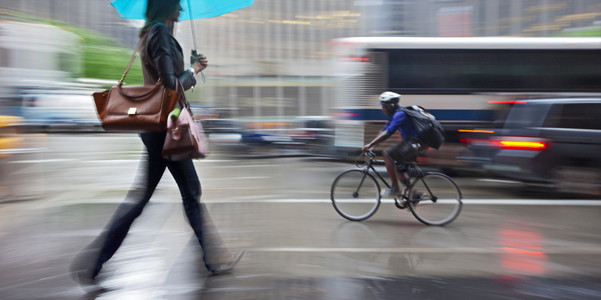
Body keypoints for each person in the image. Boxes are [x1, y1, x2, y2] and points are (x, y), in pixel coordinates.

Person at [70, 0, 242, 286]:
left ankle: (93, 264)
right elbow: (171, 85)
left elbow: (166, 81)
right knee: (187, 193)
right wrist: (194, 70)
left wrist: (189, 67)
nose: (180, 12)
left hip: (157, 129)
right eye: (176, 7)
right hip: (165, 130)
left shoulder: (151, 33)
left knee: (154, 197)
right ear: (166, 8)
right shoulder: (161, 33)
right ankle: (213, 260)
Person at [362, 91, 425, 198]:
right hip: (410, 142)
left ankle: (395, 188)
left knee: (387, 154)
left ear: (390, 105)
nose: (382, 108)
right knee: (399, 168)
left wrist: (371, 143)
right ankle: (414, 195)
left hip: (414, 142)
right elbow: (384, 129)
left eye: (383, 105)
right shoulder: (394, 115)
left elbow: (388, 132)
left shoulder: (400, 114)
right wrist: (373, 145)